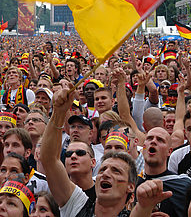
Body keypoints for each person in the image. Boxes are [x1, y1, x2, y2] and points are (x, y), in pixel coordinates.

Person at [41, 87, 136, 216]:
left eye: (116, 171)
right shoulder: (76, 205)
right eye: (102, 170)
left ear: (131, 187)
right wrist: (58, 112)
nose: (105, 174)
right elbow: (49, 159)